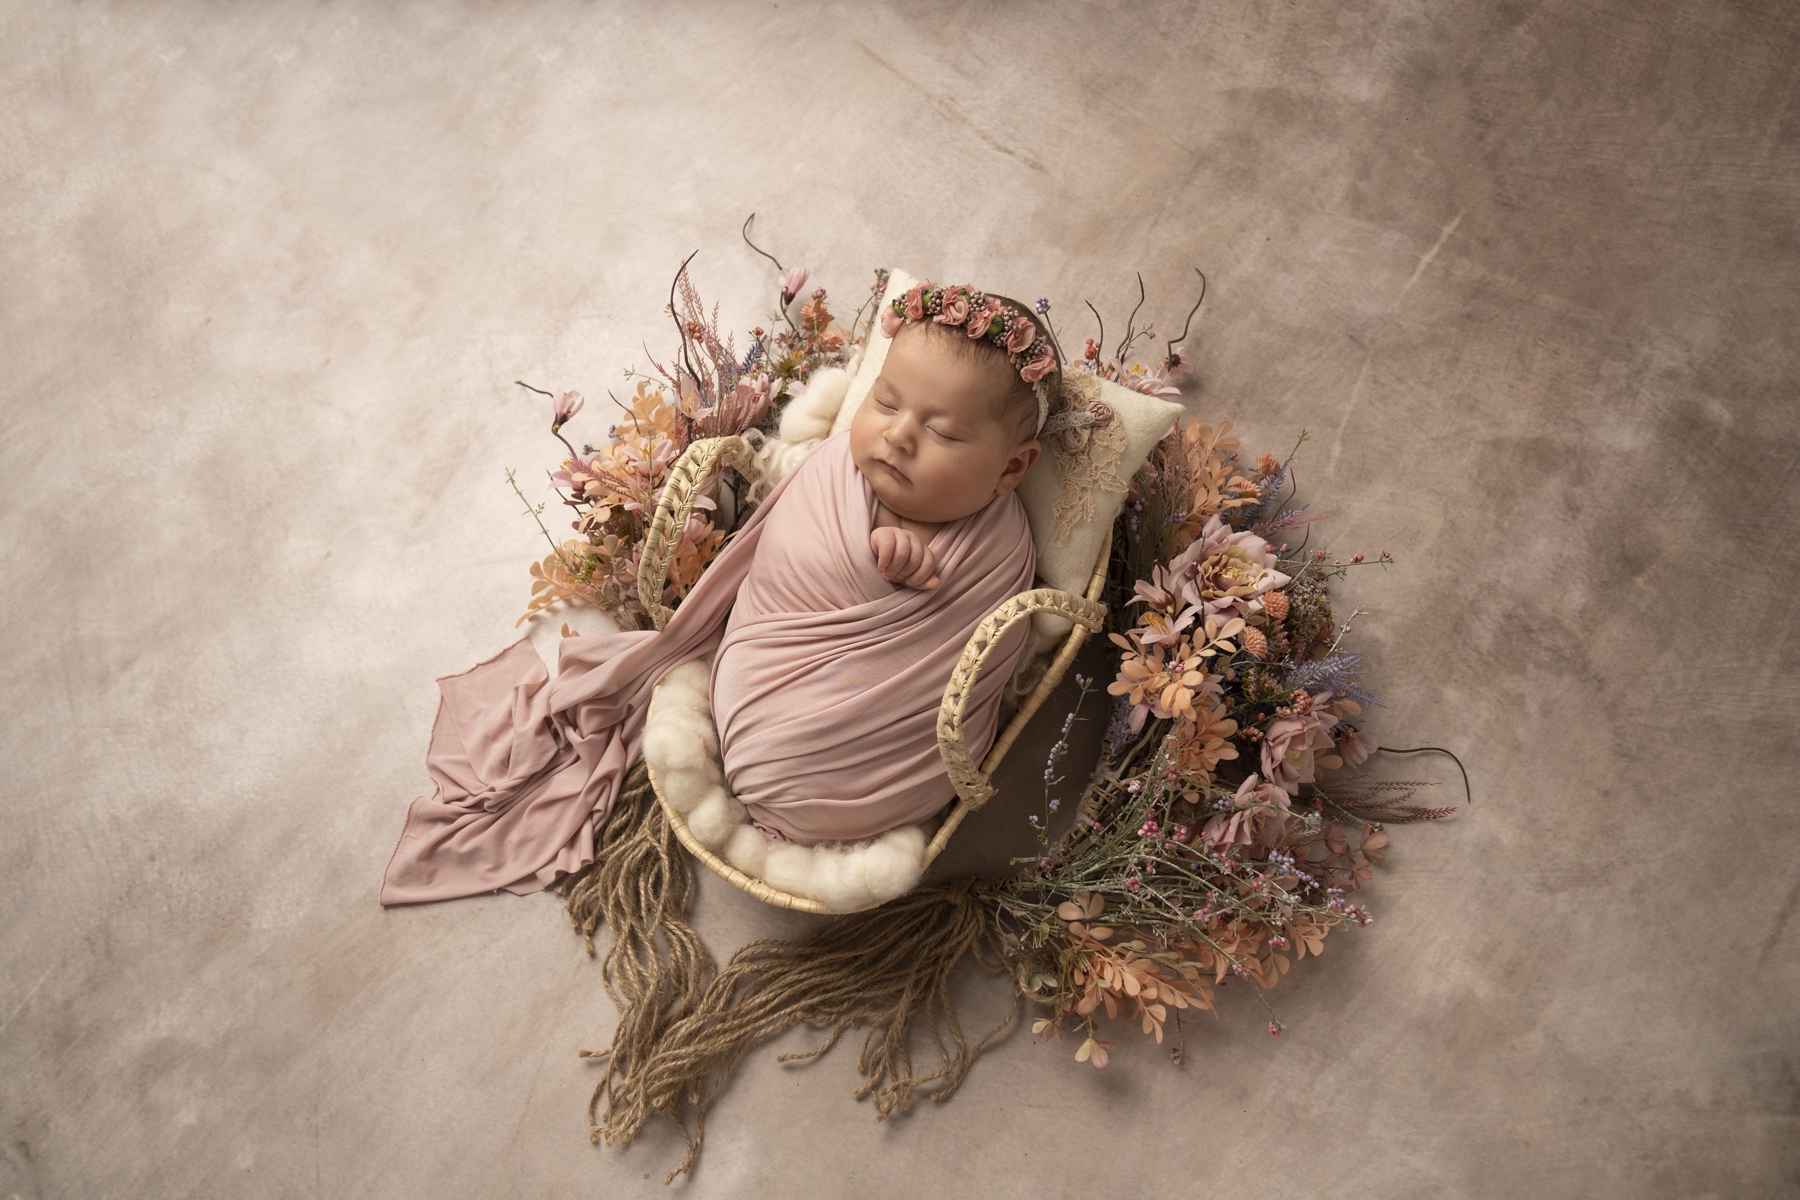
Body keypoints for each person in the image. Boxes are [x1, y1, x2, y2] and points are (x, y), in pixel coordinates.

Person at [380, 284, 1080, 903]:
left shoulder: (1000, 548)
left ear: (1011, 469)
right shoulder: (836, 468)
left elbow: (967, 635)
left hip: (863, 761)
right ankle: (763, 752)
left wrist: (900, 563)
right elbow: (782, 569)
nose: (897, 435)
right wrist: (867, 552)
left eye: (942, 432)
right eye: (886, 402)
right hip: (772, 677)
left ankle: (788, 775)